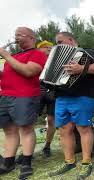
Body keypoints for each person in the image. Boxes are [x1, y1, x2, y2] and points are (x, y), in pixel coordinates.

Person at [48, 32, 94, 179]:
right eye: (56, 43)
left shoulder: (87, 52)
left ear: (71, 40)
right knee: (64, 129)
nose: (57, 45)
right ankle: (69, 162)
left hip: (83, 95)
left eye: (60, 41)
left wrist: (81, 68)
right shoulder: (56, 56)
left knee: (83, 128)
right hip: (61, 96)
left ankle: (86, 163)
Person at [0, 27, 47, 179]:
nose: (16, 37)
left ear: (32, 37)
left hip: (24, 96)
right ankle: (8, 162)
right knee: (9, 131)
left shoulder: (37, 54)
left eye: (19, 34)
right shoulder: (13, 56)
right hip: (6, 96)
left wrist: (5, 55)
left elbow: (28, 71)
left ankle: (26, 163)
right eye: (15, 35)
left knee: (26, 129)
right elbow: (6, 75)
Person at [37, 40, 56, 157]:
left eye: (50, 47)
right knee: (29, 121)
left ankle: (47, 146)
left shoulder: (55, 60)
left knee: (50, 120)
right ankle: (26, 150)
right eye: (46, 47)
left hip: (52, 90)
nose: (49, 49)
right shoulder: (35, 59)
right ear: (39, 49)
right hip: (37, 89)